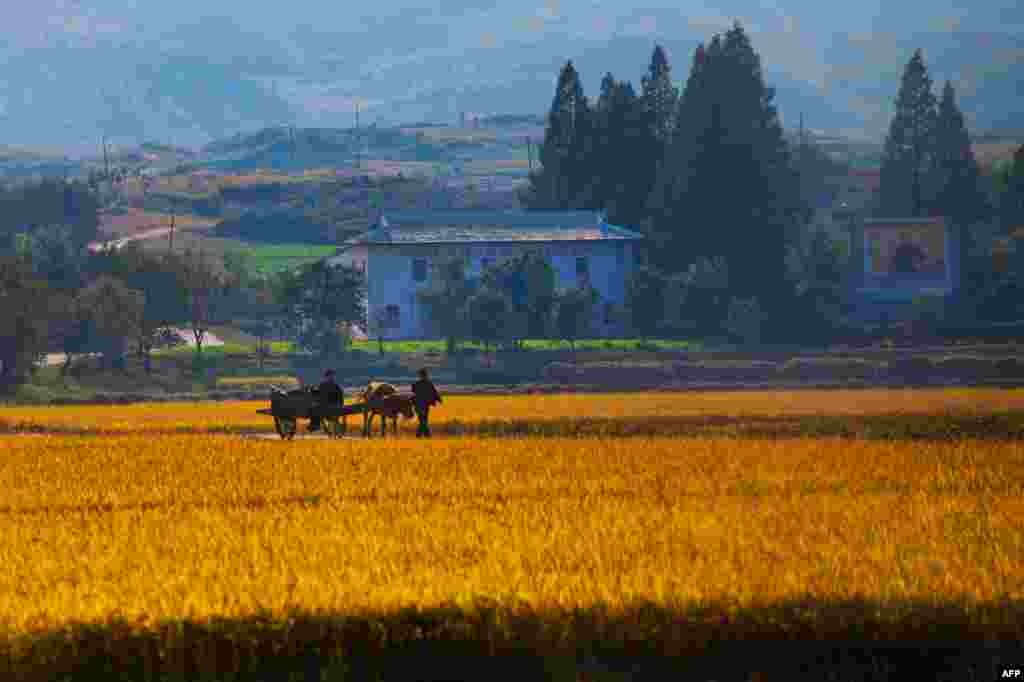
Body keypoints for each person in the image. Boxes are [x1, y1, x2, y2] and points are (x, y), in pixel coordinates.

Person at [410, 368, 442, 438]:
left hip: (418, 405)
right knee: (423, 420)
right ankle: (425, 435)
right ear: (426, 375)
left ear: (420, 376)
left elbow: (412, 392)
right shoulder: (429, 383)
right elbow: (434, 393)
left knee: (422, 420)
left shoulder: (416, 384)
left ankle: (422, 435)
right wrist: (439, 400)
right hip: (425, 404)